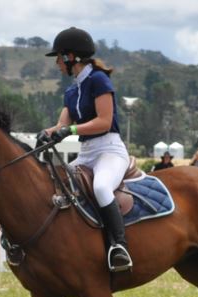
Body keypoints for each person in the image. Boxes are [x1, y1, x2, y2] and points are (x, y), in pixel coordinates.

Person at [38, 27, 132, 272]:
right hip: (88, 152)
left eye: (59, 57)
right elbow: (61, 125)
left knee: (101, 187)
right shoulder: (72, 91)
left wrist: (69, 132)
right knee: (58, 184)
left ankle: (119, 246)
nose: (57, 63)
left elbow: (103, 120)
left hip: (109, 149)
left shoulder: (99, 80)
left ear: (72, 58)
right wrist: (46, 133)